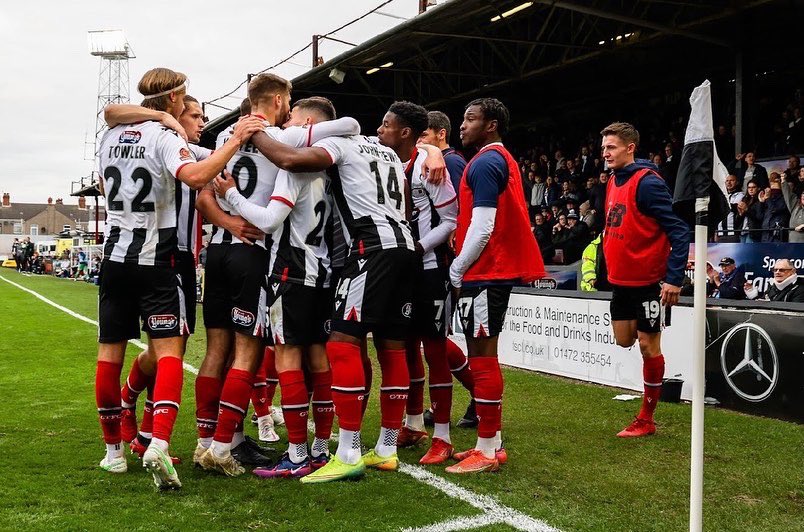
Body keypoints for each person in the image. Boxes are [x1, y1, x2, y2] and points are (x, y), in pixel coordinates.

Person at [232, 104, 448, 484]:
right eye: (378, 121)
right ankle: (386, 448)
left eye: (387, 123)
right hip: (406, 249)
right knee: (393, 348)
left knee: (342, 344)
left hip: (368, 250)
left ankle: (346, 452)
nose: (380, 128)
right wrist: (431, 149)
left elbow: (288, 157)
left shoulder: (346, 145)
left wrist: (254, 132)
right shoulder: (396, 157)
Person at [94, 67, 265, 489]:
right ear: (174, 103)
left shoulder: (110, 136)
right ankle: (157, 439)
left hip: (116, 256)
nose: (200, 121)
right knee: (170, 352)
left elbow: (110, 113)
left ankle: (116, 448)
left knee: (113, 353)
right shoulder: (170, 143)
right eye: (193, 112)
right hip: (163, 257)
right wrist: (236, 139)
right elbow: (196, 179)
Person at [213, 96, 355, 478]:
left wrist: (231, 196)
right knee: (318, 360)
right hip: (323, 273)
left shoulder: (293, 168)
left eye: (293, 118)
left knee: (287, 358)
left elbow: (271, 219)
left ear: (308, 122)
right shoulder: (332, 169)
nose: (287, 124)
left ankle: (295, 455)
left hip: (290, 271)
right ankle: (321, 449)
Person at [447, 98, 546, 474]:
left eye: (470, 118)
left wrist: (458, 268)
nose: (463, 125)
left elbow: (483, 225)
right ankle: (492, 442)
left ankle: (487, 451)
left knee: (483, 356)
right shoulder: (497, 159)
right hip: (490, 270)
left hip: (487, 271)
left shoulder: (487, 161)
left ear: (491, 125)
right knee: (481, 354)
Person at [600, 122, 689, 438]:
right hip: (620, 282)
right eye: (604, 148)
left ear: (630, 147)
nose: (605, 153)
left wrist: (673, 279)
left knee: (648, 345)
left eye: (611, 147)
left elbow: (679, 231)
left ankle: (646, 419)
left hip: (649, 283)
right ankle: (646, 412)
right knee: (624, 339)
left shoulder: (647, 183)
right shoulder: (612, 179)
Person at [419, 110, 467, 196]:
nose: (418, 141)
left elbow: (460, 204)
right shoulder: (424, 160)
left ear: (441, 134)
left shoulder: (452, 161)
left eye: (423, 135)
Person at [758, 172, 790, 242]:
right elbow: (759, 216)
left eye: (776, 190)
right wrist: (761, 202)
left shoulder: (784, 199)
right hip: (765, 233)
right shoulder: (768, 198)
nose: (773, 193)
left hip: (777, 235)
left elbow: (773, 210)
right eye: (771, 180)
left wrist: (768, 198)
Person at [716, 174, 744, 243]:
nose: (729, 183)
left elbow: (734, 207)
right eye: (727, 181)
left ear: (737, 182)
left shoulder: (740, 195)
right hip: (720, 233)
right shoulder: (722, 196)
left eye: (732, 180)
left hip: (733, 233)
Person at [781, 171, 804, 243]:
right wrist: (783, 181)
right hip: (793, 245)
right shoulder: (796, 206)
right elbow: (788, 195)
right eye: (803, 194)